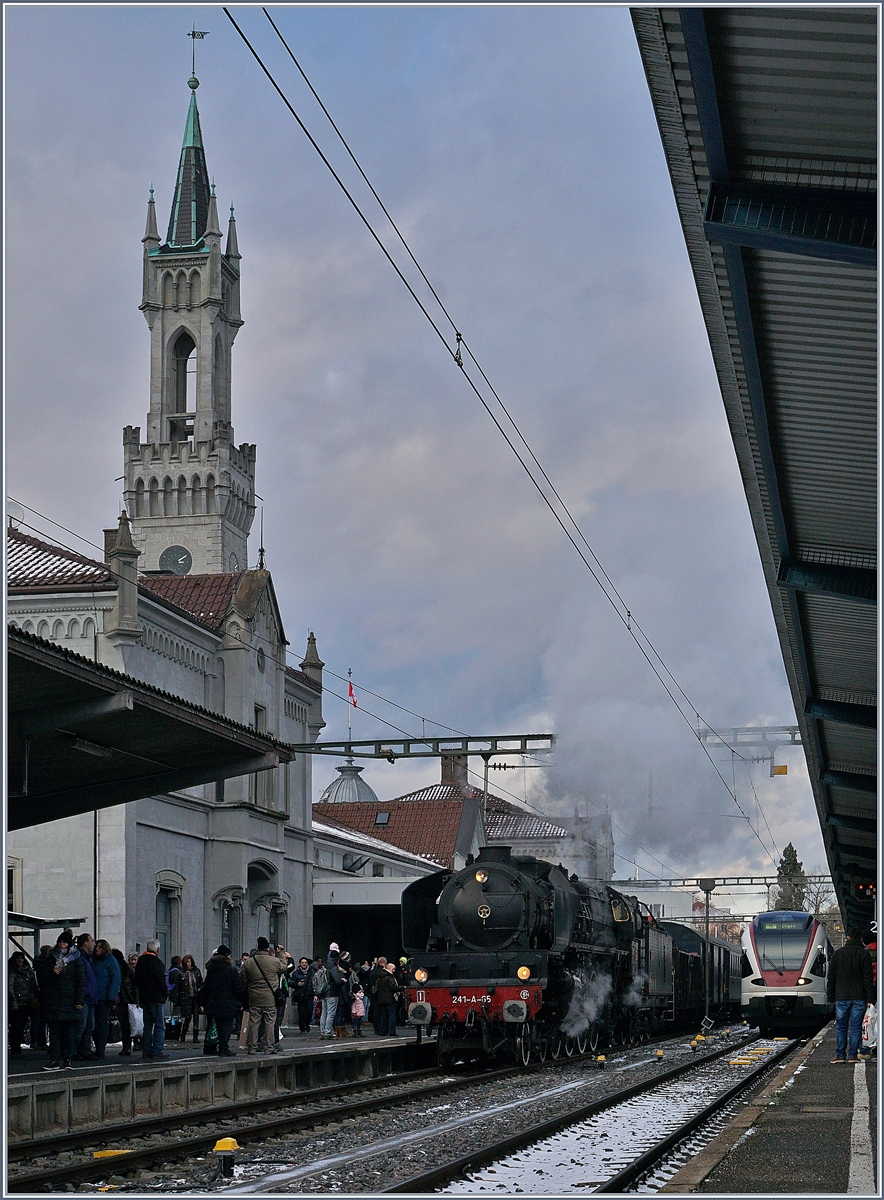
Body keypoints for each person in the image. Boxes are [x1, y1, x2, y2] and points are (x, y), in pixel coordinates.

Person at [36, 931, 85, 1070]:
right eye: (60, 942)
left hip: (69, 1001)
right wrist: (52, 973)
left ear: (69, 945)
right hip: (53, 1001)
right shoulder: (51, 959)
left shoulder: (76, 960)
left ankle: (68, 1058)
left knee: (69, 1032)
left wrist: (79, 1001)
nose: (61, 945)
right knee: (55, 1033)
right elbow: (42, 977)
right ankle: (54, 1059)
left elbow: (81, 982)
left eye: (64, 943)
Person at [827, 926, 875, 1064]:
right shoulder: (863, 954)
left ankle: (840, 1055)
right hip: (859, 997)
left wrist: (831, 997)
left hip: (841, 997)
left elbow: (832, 978)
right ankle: (852, 1055)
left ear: (847, 938)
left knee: (841, 1027)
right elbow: (868, 978)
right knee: (855, 1027)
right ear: (860, 939)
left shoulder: (838, 954)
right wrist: (870, 998)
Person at [241, 937, 288, 1054]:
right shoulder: (274, 961)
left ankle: (252, 1047)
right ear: (267, 948)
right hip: (269, 997)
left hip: (254, 996)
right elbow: (284, 968)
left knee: (254, 1022)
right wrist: (280, 954)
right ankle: (268, 1047)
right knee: (270, 1022)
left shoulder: (249, 963)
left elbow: (244, 978)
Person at [201, 945, 244, 1056]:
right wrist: (242, 1000)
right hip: (228, 1003)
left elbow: (207, 986)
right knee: (226, 1026)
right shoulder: (231, 970)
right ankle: (223, 1047)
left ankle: (210, 1046)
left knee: (214, 1025)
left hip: (214, 1002)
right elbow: (237, 987)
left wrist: (203, 1001)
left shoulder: (212, 969)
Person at [134, 940, 169, 1060]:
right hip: (156, 998)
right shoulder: (157, 962)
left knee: (147, 1026)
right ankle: (157, 1051)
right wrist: (165, 993)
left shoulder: (141, 962)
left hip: (145, 998)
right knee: (159, 1026)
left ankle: (146, 1051)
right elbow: (161, 981)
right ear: (157, 950)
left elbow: (137, 980)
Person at [91, 939, 121, 1059]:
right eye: (96, 947)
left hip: (104, 997)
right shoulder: (92, 960)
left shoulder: (110, 961)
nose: (97, 949)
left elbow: (115, 978)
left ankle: (100, 1048)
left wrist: (111, 996)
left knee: (101, 1023)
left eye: (100, 947)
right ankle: (96, 1046)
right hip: (93, 996)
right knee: (93, 1024)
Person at [73, 933, 98, 1060]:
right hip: (84, 997)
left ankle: (85, 1050)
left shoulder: (88, 958)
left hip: (90, 998)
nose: (93, 944)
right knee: (80, 1026)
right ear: (85, 943)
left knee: (89, 1026)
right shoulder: (79, 958)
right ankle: (72, 1050)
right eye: (91, 941)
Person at [8, 951, 38, 1056]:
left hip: (26, 1002)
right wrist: (13, 1003)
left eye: (21, 958)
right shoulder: (12, 971)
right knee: (16, 1026)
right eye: (18, 958)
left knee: (21, 1025)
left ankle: (17, 1047)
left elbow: (33, 986)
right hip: (17, 1002)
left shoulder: (28, 971)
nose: (20, 961)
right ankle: (15, 1048)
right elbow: (10, 987)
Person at [112, 948, 137, 1055]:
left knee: (128, 1023)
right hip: (124, 999)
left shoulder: (125, 970)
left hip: (125, 999)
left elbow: (133, 986)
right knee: (125, 1023)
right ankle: (127, 1045)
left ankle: (129, 1045)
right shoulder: (125, 969)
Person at [176, 954, 204, 1044]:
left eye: (190, 962)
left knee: (196, 1016)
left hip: (195, 997)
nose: (189, 964)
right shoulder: (181, 973)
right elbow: (178, 987)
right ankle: (183, 1034)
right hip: (186, 997)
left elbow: (200, 983)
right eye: (187, 962)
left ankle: (195, 1037)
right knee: (188, 1017)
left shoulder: (196, 971)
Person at [374, 961, 400, 1037]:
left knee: (384, 1016)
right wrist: (402, 988)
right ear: (389, 969)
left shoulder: (380, 977)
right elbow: (394, 987)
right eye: (393, 969)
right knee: (392, 1015)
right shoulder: (390, 977)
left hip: (381, 999)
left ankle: (382, 1031)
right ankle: (392, 1031)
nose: (394, 971)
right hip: (390, 999)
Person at [292, 958, 315, 1034]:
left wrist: (316, 994)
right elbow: (291, 982)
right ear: (300, 963)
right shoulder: (296, 973)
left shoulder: (312, 972)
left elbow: (315, 983)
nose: (304, 964)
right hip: (300, 995)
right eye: (302, 962)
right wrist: (297, 984)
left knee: (309, 1012)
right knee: (301, 1013)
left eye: (305, 962)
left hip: (309, 995)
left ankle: (307, 1024)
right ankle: (302, 1028)